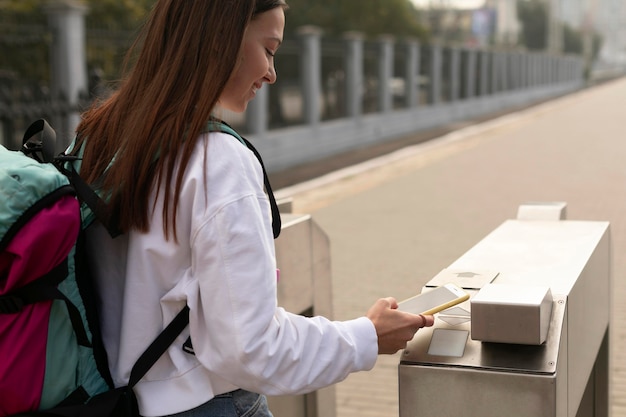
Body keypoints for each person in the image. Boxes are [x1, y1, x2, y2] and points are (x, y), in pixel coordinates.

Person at [71, 1, 434, 416]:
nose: (271, 73)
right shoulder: (217, 161)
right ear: (220, 38)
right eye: (269, 49)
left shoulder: (94, 137)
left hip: (111, 401)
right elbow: (251, 349)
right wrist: (367, 337)